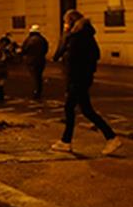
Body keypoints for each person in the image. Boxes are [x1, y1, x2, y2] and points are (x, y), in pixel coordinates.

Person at [51, 10, 121, 156]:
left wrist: (65, 35)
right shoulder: (86, 36)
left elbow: (63, 57)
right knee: (86, 110)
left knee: (71, 109)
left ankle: (67, 141)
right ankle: (110, 138)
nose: (64, 24)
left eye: (65, 22)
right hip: (82, 78)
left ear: (71, 22)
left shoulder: (76, 38)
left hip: (77, 79)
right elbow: (95, 55)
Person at [21, 24, 49, 100]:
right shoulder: (43, 39)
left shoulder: (29, 39)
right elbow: (46, 49)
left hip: (31, 60)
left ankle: (36, 91)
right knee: (39, 75)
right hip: (41, 60)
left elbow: (24, 49)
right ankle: (39, 90)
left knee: (34, 76)